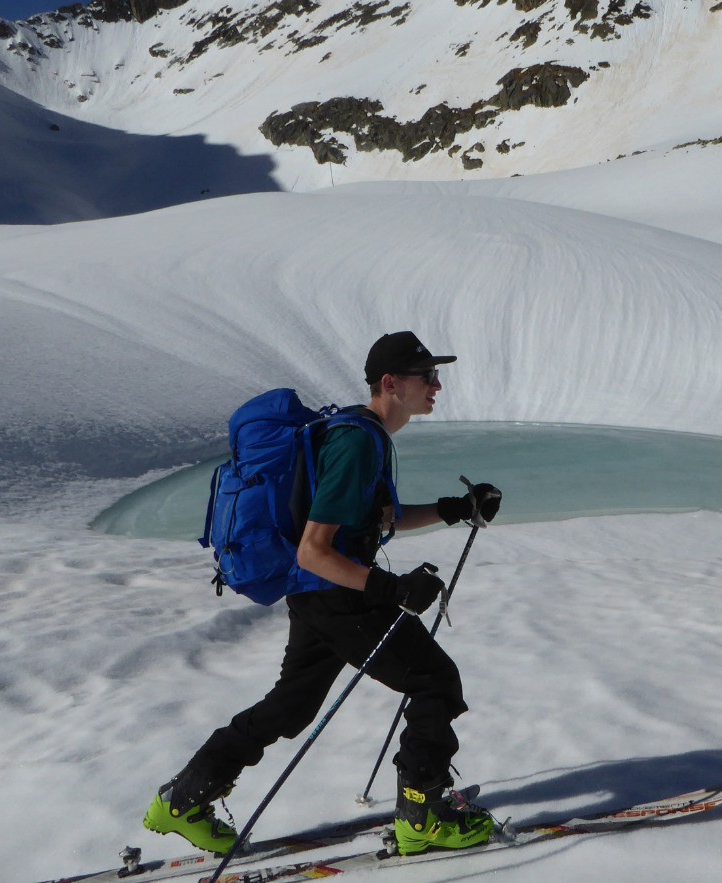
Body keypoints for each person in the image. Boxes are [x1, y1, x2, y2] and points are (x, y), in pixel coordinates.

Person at [142, 331, 504, 858]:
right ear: (390, 383)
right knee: (434, 681)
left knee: (291, 707)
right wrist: (391, 587)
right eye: (426, 375)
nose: (436, 384)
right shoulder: (358, 440)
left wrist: (452, 509)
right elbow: (314, 549)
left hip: (320, 598)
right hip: (338, 596)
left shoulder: (360, 433)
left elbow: (376, 521)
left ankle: (182, 799)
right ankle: (423, 816)